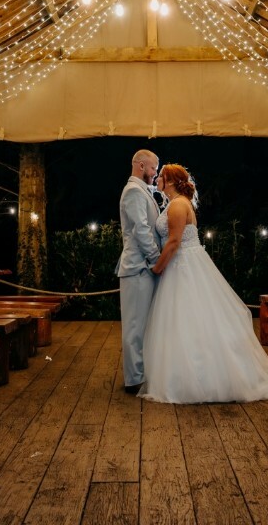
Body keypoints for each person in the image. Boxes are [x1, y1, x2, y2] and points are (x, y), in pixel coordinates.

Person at [139, 163, 268, 404]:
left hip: (183, 265)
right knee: (192, 319)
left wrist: (156, 268)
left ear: (171, 181)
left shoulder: (177, 205)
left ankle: (197, 378)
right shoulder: (178, 203)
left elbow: (174, 242)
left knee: (186, 318)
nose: (157, 181)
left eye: (161, 177)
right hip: (188, 263)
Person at [116, 149, 161, 393]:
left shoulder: (141, 190)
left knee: (143, 325)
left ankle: (142, 374)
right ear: (141, 166)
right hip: (138, 269)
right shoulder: (133, 191)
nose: (156, 174)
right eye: (154, 168)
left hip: (144, 269)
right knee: (134, 326)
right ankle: (133, 381)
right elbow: (140, 231)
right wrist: (157, 260)